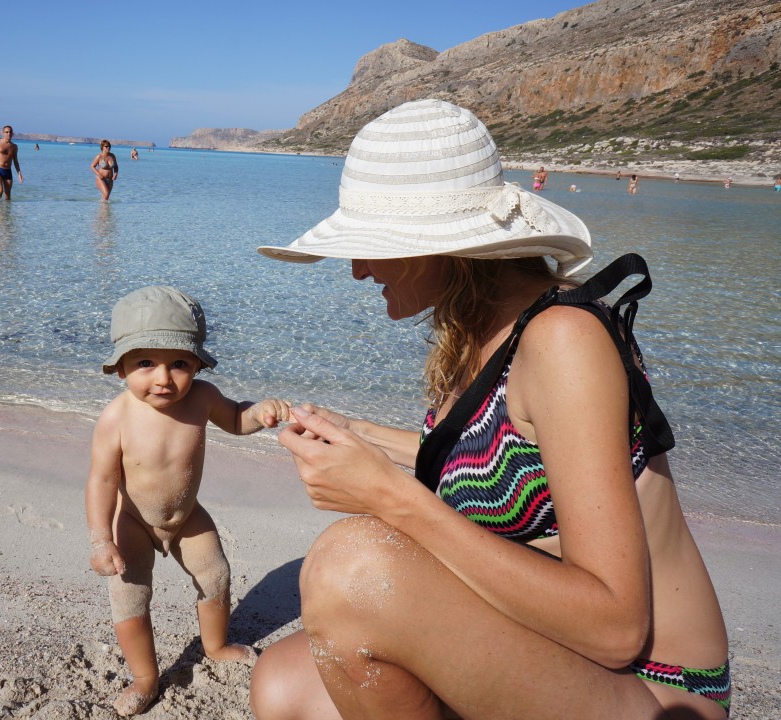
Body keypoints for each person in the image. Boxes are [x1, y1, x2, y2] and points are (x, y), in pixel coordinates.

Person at [250, 99, 729, 720]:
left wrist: (390, 496)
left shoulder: (563, 339)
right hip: (557, 652)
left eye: (370, 246)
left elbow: (616, 628)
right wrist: (359, 434)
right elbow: (504, 457)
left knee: (351, 567)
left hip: (653, 684)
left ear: (441, 248)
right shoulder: (479, 330)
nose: (358, 271)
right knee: (281, 684)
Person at [87, 286, 291, 716]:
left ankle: (215, 646)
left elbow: (235, 418)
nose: (164, 378)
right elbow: (102, 480)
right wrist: (101, 539)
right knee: (130, 596)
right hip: (133, 522)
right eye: (146, 363)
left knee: (216, 575)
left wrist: (260, 413)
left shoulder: (202, 397)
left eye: (179, 363)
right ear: (121, 368)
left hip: (186, 516)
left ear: (198, 364)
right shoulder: (116, 417)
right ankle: (145, 677)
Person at [0, 125, 24, 199]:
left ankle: (6, 207)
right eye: (6, 132)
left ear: (12, 134)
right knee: (0, 191)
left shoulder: (14, 147)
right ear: (3, 133)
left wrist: (19, 174)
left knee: (7, 195)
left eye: (10, 132)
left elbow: (15, 161)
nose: (8, 134)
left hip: (8, 171)